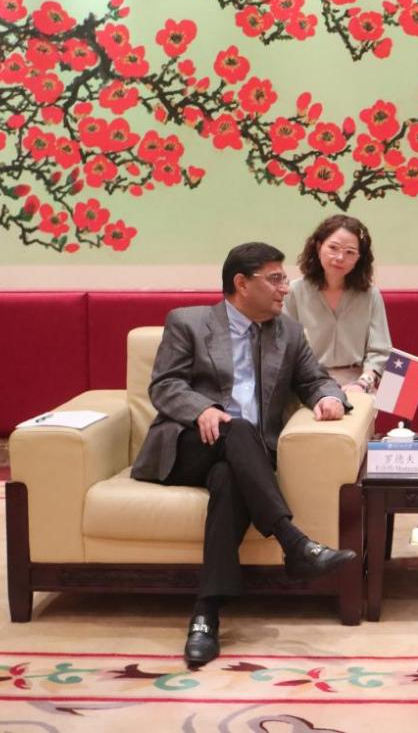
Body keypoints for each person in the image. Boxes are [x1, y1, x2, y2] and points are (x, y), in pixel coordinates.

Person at [131, 241, 358, 668]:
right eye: (275, 279)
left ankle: (206, 615)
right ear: (241, 283)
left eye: (284, 278)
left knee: (228, 477)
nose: (285, 288)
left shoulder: (288, 332)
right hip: (188, 447)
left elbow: (314, 380)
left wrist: (329, 398)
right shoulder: (188, 323)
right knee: (236, 430)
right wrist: (201, 408)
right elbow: (164, 385)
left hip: (244, 457)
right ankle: (294, 543)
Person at [285, 215, 391, 395]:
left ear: (359, 257)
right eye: (333, 248)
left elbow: (380, 352)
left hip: (357, 384)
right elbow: (286, 349)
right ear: (319, 247)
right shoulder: (294, 292)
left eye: (350, 252)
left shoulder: (370, 295)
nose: (340, 257)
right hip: (307, 384)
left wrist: (362, 384)